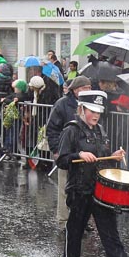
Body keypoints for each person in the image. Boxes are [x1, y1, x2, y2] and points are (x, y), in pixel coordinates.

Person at [55, 90, 129, 257]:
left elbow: (104, 159)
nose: (95, 115)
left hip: (101, 190)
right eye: (92, 110)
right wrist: (79, 155)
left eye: (98, 111)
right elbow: (61, 159)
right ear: (82, 109)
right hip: (79, 189)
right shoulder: (72, 130)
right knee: (75, 230)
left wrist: (115, 155)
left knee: (110, 231)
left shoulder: (100, 130)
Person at [46, 76, 93, 231]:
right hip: (67, 153)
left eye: (90, 88)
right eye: (86, 88)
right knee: (65, 189)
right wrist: (56, 150)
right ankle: (64, 221)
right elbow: (52, 129)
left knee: (83, 190)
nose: (89, 91)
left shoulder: (89, 105)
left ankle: (81, 220)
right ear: (76, 89)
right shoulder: (62, 104)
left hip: (85, 155)